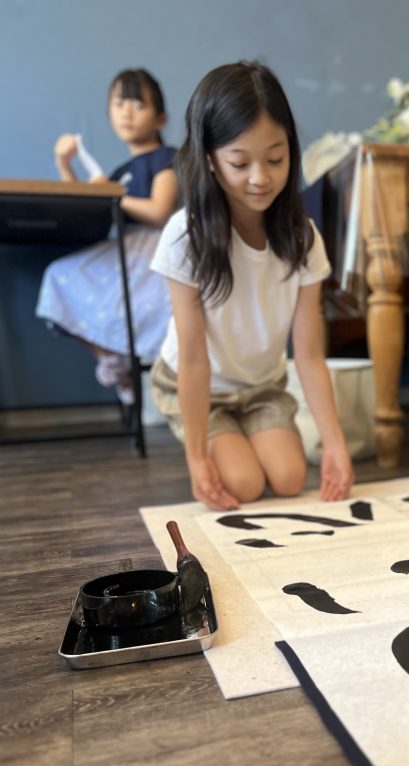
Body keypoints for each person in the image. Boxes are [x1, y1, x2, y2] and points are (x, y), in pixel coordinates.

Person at [149, 60, 354, 510]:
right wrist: (197, 457)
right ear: (210, 159)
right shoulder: (186, 236)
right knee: (243, 483)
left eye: (275, 159)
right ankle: (218, 443)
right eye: (240, 163)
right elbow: (193, 358)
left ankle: (244, 439)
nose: (261, 177)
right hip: (200, 386)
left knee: (289, 478)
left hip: (261, 387)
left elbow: (309, 354)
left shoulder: (302, 238)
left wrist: (335, 444)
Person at [36, 68, 178, 404]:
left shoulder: (167, 158)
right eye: (119, 104)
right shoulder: (119, 173)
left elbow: (159, 211)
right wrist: (65, 165)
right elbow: (85, 214)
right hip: (124, 253)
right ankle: (112, 359)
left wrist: (112, 194)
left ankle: (120, 362)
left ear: (160, 118)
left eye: (138, 104)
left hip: (153, 254)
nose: (127, 112)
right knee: (58, 278)